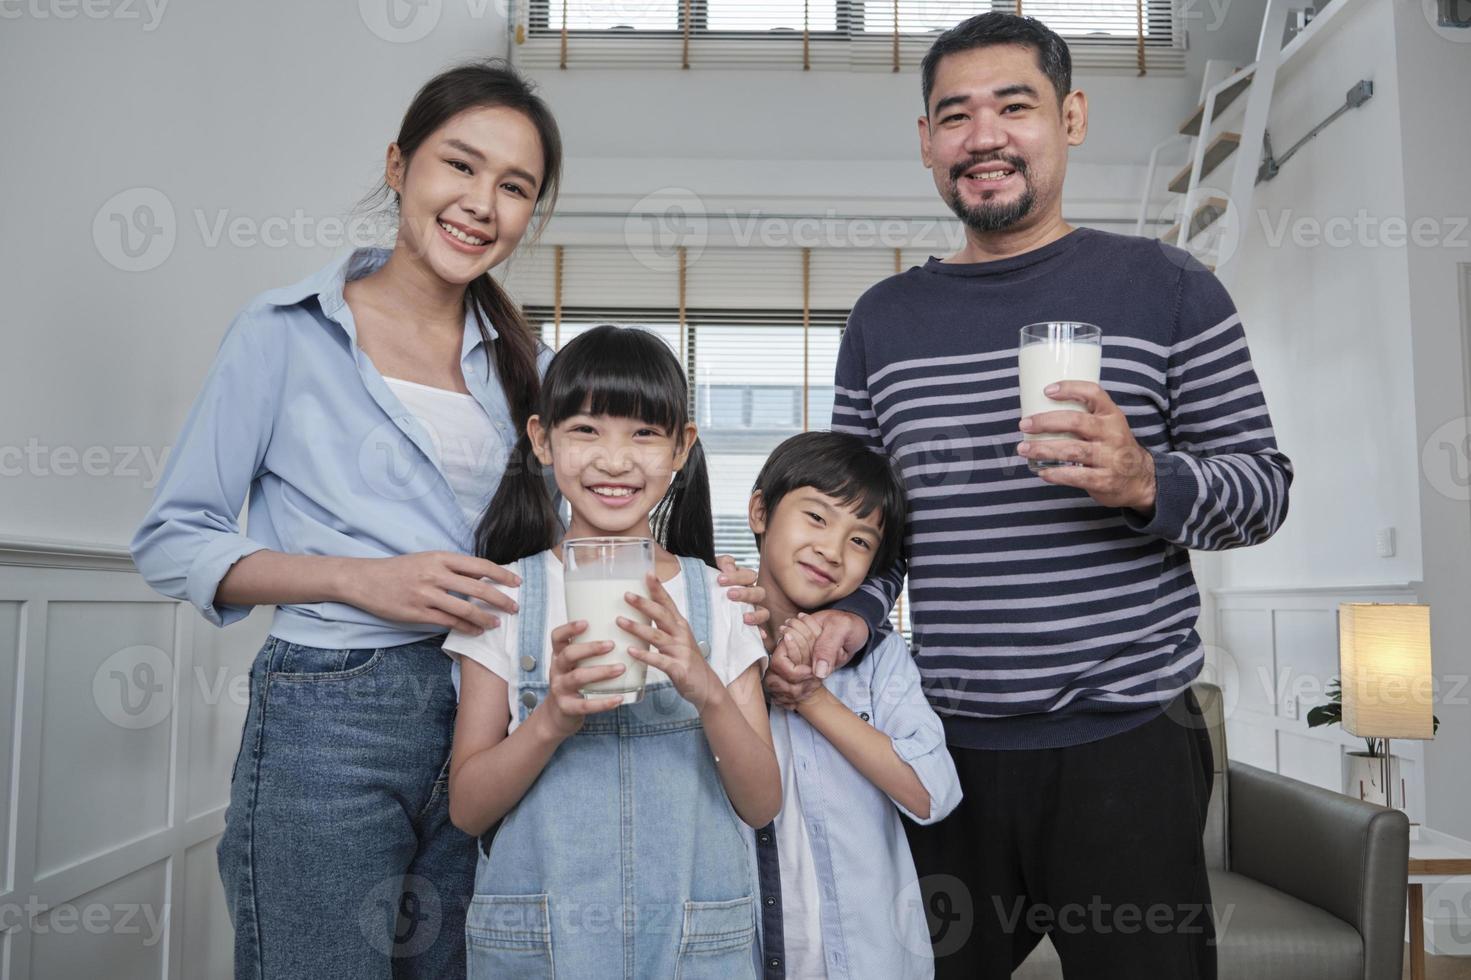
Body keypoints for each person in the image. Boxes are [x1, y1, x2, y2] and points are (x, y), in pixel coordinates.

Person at [130, 62, 765, 979]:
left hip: (504, 705)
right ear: (398, 166)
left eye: (514, 187)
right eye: (458, 167)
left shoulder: (533, 369)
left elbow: (595, 521)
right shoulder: (282, 334)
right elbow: (174, 538)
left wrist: (709, 591)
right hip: (334, 707)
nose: (481, 203)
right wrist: (359, 580)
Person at [771, 13, 1294, 979]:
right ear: (926, 142)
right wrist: (849, 611)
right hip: (942, 741)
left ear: (1071, 118)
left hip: (1130, 741)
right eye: (954, 116)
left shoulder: (1170, 287)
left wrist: (1144, 481)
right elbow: (866, 528)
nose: (984, 137)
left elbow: (1261, 490)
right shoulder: (883, 322)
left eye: (1015, 106)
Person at [443, 325, 781, 979]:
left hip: (691, 949)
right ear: (542, 440)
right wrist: (551, 722)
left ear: (681, 447)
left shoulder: (723, 598)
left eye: (643, 434)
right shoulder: (503, 600)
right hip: (542, 952)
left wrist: (705, 687)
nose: (615, 461)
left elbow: (761, 803)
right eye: (587, 431)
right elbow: (467, 808)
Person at [748, 432, 963, 980]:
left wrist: (812, 698)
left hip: (870, 961)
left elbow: (932, 793)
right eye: (816, 518)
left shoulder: (880, 661)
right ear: (760, 511)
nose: (832, 550)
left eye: (861, 541)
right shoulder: (713, 635)